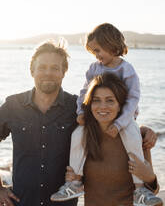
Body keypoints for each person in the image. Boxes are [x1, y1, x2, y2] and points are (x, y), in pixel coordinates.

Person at [51, 23, 160, 204]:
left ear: (111, 45)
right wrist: (80, 112)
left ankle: (139, 191)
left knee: (131, 133)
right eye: (97, 100)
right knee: (77, 133)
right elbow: (85, 91)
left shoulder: (127, 70)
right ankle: (75, 184)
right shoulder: (94, 69)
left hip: (125, 120)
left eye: (110, 100)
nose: (97, 56)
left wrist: (120, 124)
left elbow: (133, 99)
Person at [0, 41, 79, 206]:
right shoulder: (13, 105)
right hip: (22, 202)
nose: (48, 73)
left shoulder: (76, 107)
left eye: (55, 68)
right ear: (32, 71)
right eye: (42, 67)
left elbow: (105, 135)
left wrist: (142, 131)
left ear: (64, 72)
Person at [65, 73, 162, 206]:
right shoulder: (82, 140)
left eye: (110, 100)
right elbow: (75, 184)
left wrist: (150, 177)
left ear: (120, 105)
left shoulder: (134, 139)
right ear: (89, 104)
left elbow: (153, 194)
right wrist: (71, 178)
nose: (102, 106)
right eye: (96, 100)